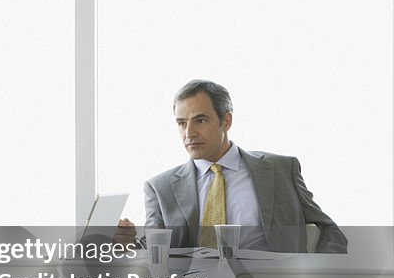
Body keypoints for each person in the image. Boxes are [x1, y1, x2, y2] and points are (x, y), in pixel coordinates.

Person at [143, 79, 347, 253]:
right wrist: (122, 243)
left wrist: (314, 275)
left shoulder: (281, 170)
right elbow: (152, 250)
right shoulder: (160, 188)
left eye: (201, 120)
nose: (189, 133)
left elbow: (330, 231)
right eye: (181, 123)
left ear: (226, 121)